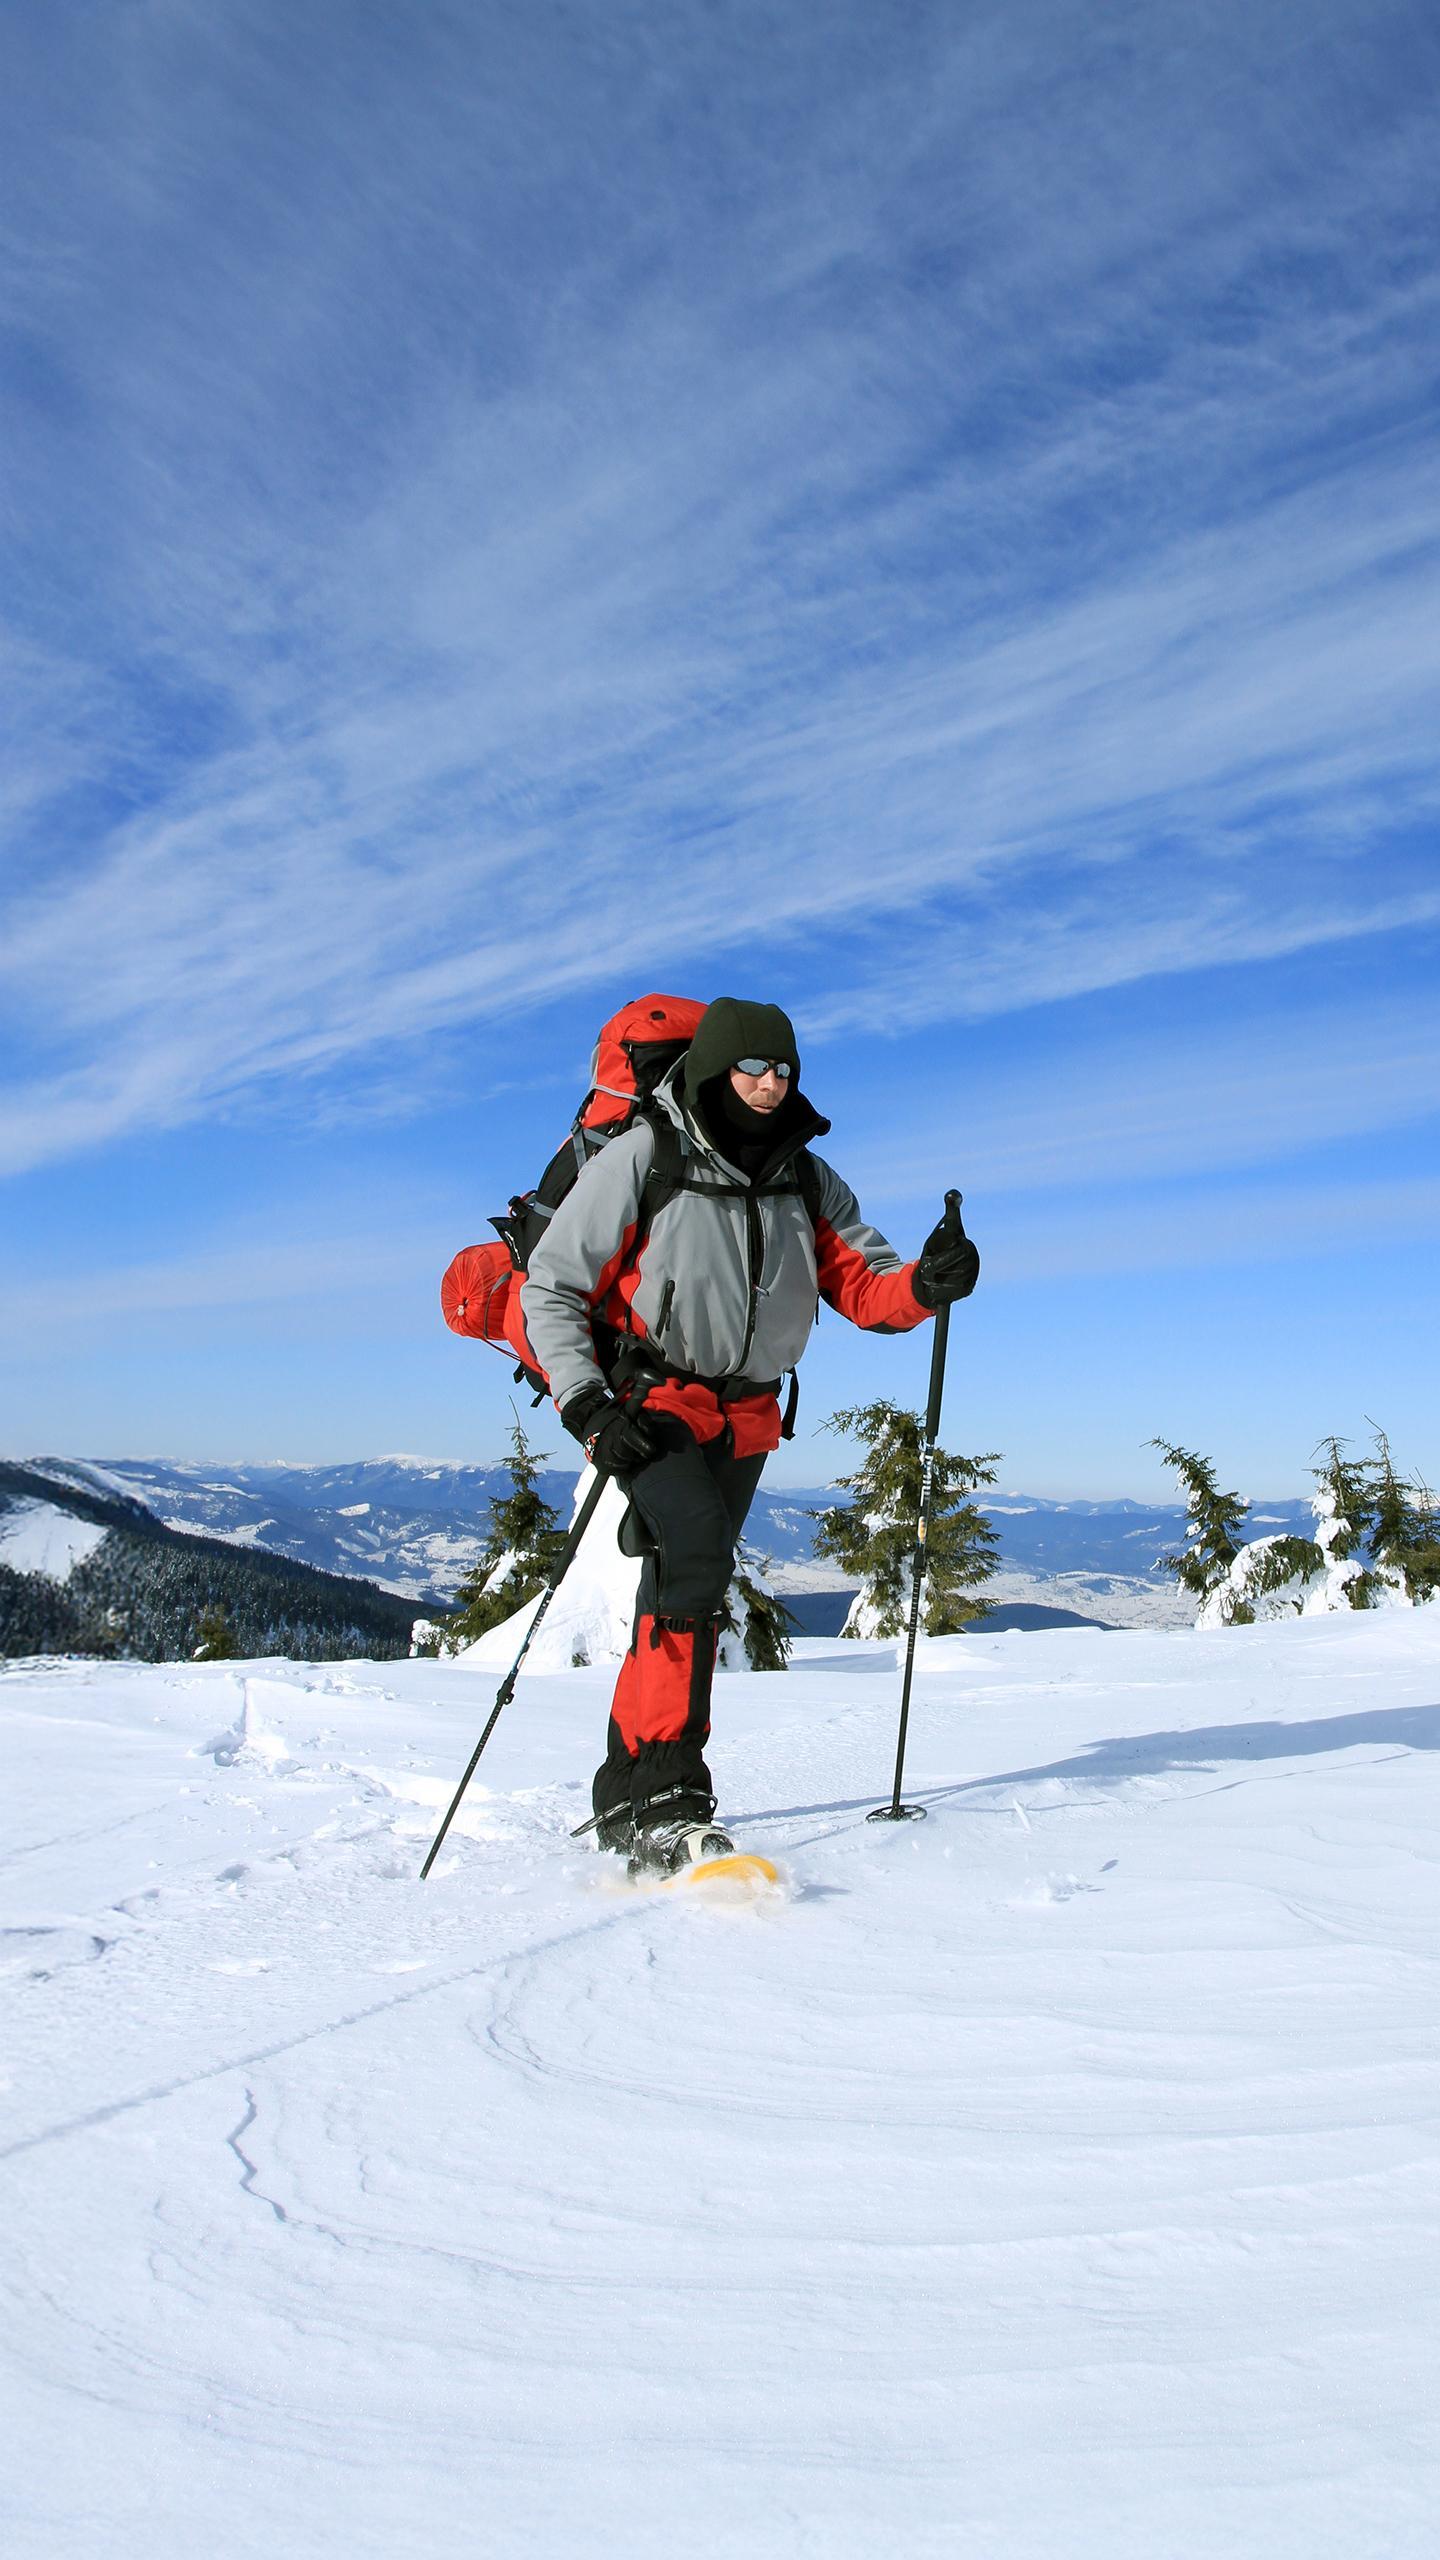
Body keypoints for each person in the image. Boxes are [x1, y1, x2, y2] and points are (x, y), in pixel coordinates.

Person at [519, 996, 979, 1873]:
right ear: (714, 1069)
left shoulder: (806, 1176)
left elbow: (864, 1284)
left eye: (784, 1070)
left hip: (750, 1414)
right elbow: (552, 1286)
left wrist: (927, 1282)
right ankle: (668, 1794)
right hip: (650, 1399)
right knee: (691, 1559)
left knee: (680, 1589)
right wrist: (585, 1405)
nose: (771, 1085)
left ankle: (626, 1790)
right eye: (753, 1068)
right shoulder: (647, 1155)